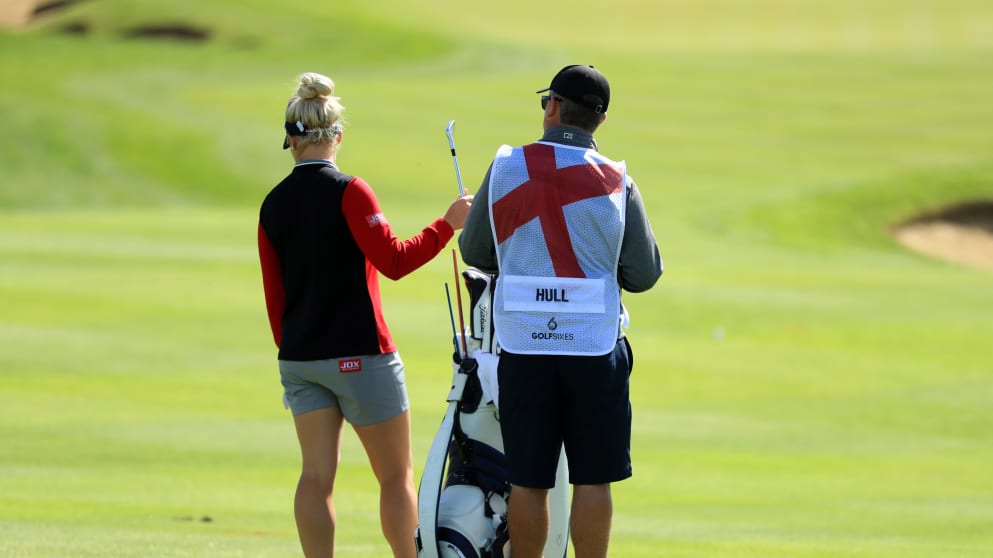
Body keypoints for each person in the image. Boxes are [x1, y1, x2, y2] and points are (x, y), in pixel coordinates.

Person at [257, 72, 473, 558]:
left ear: (290, 141)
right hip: (362, 356)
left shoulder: (272, 203)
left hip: (300, 359)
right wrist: (447, 225)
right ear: (337, 135)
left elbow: (276, 299)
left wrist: (295, 351)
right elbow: (394, 261)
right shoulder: (352, 191)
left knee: (315, 477)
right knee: (396, 478)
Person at [458, 64, 662, 558]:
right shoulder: (617, 181)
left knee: (529, 480)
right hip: (594, 349)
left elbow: (475, 250)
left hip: (526, 347)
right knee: (594, 478)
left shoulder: (506, 166)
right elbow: (644, 274)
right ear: (601, 120)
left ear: (551, 106)